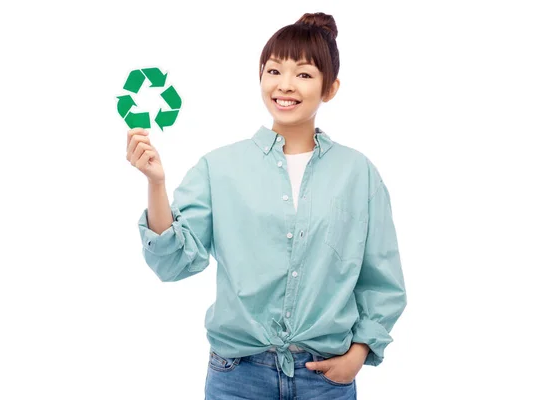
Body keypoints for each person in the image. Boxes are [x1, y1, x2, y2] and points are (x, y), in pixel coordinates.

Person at [126, 11, 407, 400]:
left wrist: (358, 353)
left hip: (325, 379)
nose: (285, 85)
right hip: (237, 377)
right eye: (274, 71)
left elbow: (383, 280)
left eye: (304, 74)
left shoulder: (359, 174)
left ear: (331, 88)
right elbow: (173, 262)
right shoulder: (219, 167)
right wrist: (156, 184)